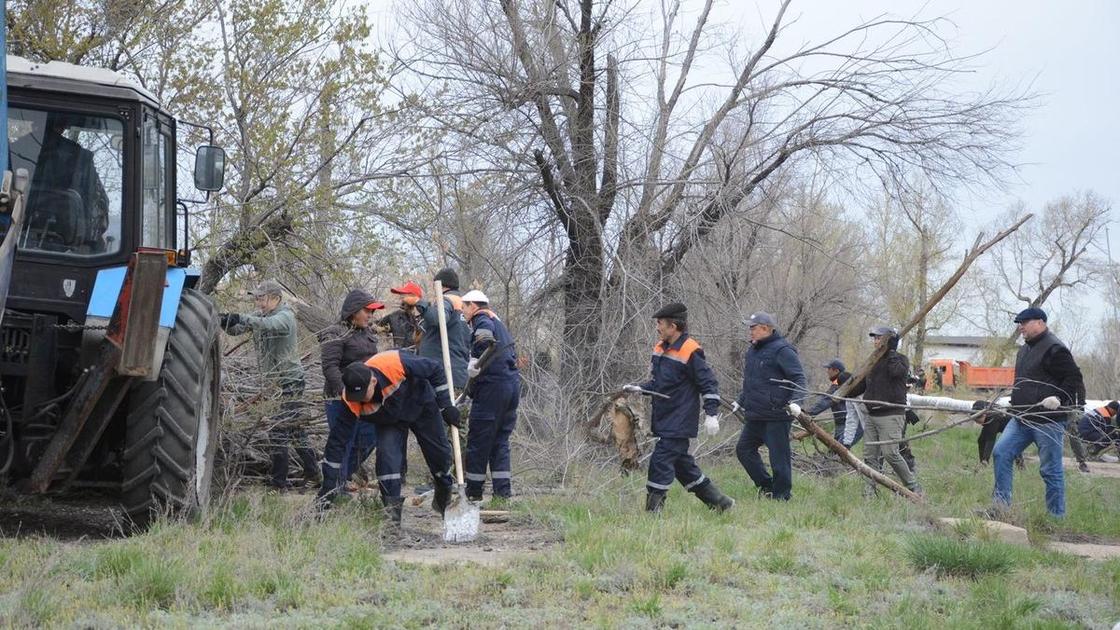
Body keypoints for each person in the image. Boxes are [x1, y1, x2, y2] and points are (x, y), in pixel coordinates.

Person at [624, 302, 734, 513]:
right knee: (683, 467)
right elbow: (659, 384)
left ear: (673, 326)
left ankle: (653, 512)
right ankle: (720, 503)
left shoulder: (691, 350)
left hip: (680, 420)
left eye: (660, 323)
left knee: (661, 460)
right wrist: (640, 388)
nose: (658, 327)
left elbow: (708, 383)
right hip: (664, 417)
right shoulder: (659, 348)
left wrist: (712, 413)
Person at [340, 350, 462, 526]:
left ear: (373, 381)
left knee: (440, 457)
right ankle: (392, 518)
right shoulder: (350, 399)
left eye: (363, 394)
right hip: (389, 421)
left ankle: (443, 502)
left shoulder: (393, 363)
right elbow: (339, 442)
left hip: (422, 406)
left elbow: (435, 369)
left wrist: (446, 406)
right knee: (388, 461)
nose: (361, 400)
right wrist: (330, 484)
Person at [220, 280, 320, 491]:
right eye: (256, 298)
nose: (259, 303)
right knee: (294, 430)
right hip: (273, 384)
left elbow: (270, 325)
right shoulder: (259, 316)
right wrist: (225, 321)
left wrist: (243, 317)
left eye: (262, 298)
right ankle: (312, 472)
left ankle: (279, 484)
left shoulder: (285, 316)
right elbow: (237, 330)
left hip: (290, 382)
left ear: (276, 298)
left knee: (279, 430)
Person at [990, 307, 1085, 518]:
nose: (1020, 327)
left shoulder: (1055, 349)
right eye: (1019, 323)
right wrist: (1014, 402)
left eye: (1024, 322)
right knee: (1001, 452)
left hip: (1047, 420)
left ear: (1040, 322)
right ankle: (1000, 508)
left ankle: (1055, 517)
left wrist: (1059, 398)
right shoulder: (1024, 350)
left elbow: (1073, 378)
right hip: (1022, 418)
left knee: (1050, 470)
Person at [316, 289, 383, 504]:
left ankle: (340, 478)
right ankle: (334, 488)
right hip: (340, 399)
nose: (370, 315)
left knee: (369, 437)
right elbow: (330, 367)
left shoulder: (367, 333)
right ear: (353, 311)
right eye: (367, 311)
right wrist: (345, 391)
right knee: (342, 442)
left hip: (367, 399)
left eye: (372, 311)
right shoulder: (334, 332)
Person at [733, 312, 806, 501]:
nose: (750, 331)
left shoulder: (783, 350)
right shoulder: (753, 351)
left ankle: (782, 497)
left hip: (777, 414)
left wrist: (797, 402)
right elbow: (753, 381)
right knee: (744, 450)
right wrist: (740, 400)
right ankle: (767, 487)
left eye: (753, 327)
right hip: (755, 414)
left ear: (765, 328)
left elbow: (799, 378)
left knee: (778, 458)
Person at [459, 290, 520, 501]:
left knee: (478, 440)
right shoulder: (499, 322)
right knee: (499, 441)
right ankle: (502, 495)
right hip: (510, 387)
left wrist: (475, 361)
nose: (463, 312)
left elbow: (484, 338)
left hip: (492, 389)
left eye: (464, 307)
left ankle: (473, 494)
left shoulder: (482, 319)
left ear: (473, 306)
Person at [848, 326, 921, 496]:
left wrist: (892, 352)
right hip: (872, 416)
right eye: (874, 338)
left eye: (879, 338)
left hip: (891, 415)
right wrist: (845, 388)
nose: (875, 341)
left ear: (889, 340)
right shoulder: (873, 361)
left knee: (890, 453)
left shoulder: (900, 359)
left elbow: (897, 373)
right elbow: (861, 386)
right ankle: (870, 492)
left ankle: (914, 487)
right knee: (870, 456)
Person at [394, 269, 471, 391]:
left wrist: (419, 303)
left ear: (440, 285)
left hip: (444, 374)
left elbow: (438, 318)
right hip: (458, 372)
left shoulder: (447, 300)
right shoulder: (465, 305)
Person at [806, 359, 862, 445]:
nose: (827, 371)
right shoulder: (841, 381)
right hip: (841, 422)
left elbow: (827, 400)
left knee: (839, 449)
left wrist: (808, 413)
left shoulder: (839, 383)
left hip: (849, 423)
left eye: (829, 369)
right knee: (835, 450)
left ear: (836, 370)